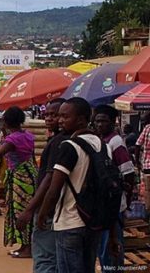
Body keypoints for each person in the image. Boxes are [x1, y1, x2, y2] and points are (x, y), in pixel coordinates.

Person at [37, 98, 118, 273]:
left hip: (69, 221)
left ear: (81, 119)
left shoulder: (69, 146)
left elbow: (54, 188)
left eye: (65, 117)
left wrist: (42, 214)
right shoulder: (102, 146)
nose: (60, 120)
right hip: (92, 221)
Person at [0, 106, 36, 258]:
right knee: (26, 210)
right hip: (30, 176)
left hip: (19, 179)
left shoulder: (12, 140)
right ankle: (25, 246)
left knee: (19, 212)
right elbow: (32, 158)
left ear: (6, 122)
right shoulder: (28, 136)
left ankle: (27, 248)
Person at [16, 97, 65, 273]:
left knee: (45, 258)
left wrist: (31, 210)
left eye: (55, 115)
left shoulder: (59, 142)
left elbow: (49, 179)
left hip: (48, 209)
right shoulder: (59, 140)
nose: (49, 119)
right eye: (47, 115)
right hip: (57, 210)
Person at [94, 104, 135, 268]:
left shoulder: (116, 143)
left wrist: (126, 201)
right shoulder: (102, 141)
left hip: (114, 204)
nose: (99, 125)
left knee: (111, 247)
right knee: (103, 248)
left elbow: (128, 173)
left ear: (113, 122)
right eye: (97, 121)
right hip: (104, 204)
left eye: (103, 121)